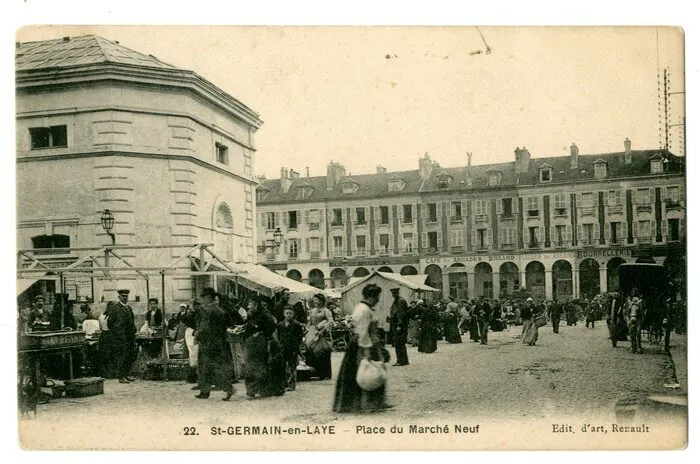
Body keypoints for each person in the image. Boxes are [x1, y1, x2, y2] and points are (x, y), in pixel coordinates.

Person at [333, 284, 391, 413]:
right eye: (377, 297)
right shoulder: (363, 310)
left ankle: (377, 402)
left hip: (370, 342)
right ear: (371, 297)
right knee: (365, 371)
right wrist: (366, 351)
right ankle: (361, 403)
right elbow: (363, 332)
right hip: (363, 343)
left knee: (375, 370)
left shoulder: (365, 308)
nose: (378, 300)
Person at [194, 288, 234, 401]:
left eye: (202, 297)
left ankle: (207, 391)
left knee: (205, 367)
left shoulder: (206, 310)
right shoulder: (220, 310)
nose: (200, 299)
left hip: (207, 343)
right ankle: (224, 389)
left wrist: (197, 336)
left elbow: (203, 327)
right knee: (217, 367)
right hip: (219, 343)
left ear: (208, 297)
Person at [241, 297, 286, 398]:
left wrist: (261, 333)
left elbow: (271, 327)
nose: (248, 306)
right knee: (251, 366)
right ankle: (251, 390)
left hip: (261, 345)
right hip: (251, 345)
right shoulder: (251, 315)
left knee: (260, 367)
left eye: (250, 304)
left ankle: (261, 389)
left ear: (256, 305)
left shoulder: (264, 315)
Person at [107, 289, 138, 383]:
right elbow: (110, 322)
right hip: (120, 338)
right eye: (123, 296)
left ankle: (126, 374)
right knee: (121, 357)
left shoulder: (128, 308)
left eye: (126, 296)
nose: (125, 298)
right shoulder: (116, 308)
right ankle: (121, 376)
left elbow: (131, 322)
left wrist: (133, 331)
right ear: (119, 297)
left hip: (129, 337)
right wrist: (117, 333)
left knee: (128, 356)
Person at [305, 293, 334, 379]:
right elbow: (309, 323)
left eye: (316, 300)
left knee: (323, 352)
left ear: (321, 301)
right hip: (314, 334)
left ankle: (324, 373)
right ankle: (315, 373)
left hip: (323, 334)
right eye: (314, 300)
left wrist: (323, 330)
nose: (315, 301)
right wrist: (308, 330)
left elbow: (330, 322)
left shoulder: (326, 311)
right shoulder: (312, 311)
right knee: (312, 351)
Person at [277, 306, 304, 391]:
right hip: (283, 348)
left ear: (293, 314)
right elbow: (278, 335)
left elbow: (300, 336)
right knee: (282, 366)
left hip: (293, 348)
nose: (289, 315)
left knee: (292, 366)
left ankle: (292, 384)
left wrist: (297, 345)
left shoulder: (296, 325)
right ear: (284, 314)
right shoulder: (280, 325)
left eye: (290, 313)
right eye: (287, 313)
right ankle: (284, 384)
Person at [181, 300, 201, 384]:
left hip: (196, 332)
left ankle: (195, 375)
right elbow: (183, 320)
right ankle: (193, 375)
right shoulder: (189, 313)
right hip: (190, 332)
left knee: (195, 353)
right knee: (192, 353)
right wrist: (187, 311)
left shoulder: (199, 313)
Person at [389, 288, 410, 365]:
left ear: (397, 293)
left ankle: (401, 360)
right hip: (396, 324)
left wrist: (399, 325)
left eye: (394, 293)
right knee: (399, 343)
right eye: (392, 293)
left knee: (399, 343)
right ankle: (403, 360)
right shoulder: (396, 301)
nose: (393, 294)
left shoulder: (400, 301)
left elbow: (401, 314)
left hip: (399, 326)